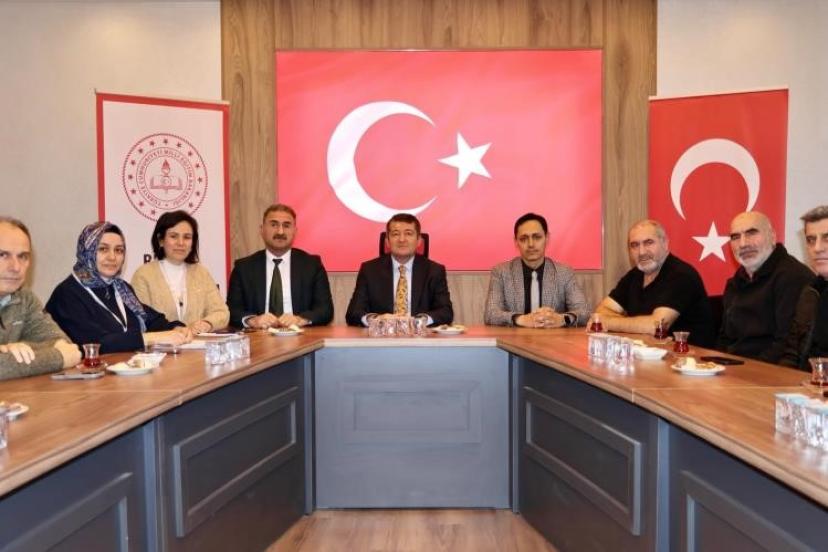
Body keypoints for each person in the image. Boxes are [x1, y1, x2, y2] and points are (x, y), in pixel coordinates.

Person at [46, 221, 192, 354]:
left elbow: (152, 320)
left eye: (119, 250)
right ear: (87, 252)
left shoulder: (121, 288)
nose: (112, 257)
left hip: (127, 369)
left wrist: (176, 328)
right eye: (103, 249)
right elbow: (95, 344)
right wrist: (150, 338)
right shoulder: (67, 294)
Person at [591, 219, 714, 346]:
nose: (642, 252)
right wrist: (628, 323)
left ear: (665, 243)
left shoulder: (681, 275)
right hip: (651, 351)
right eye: (634, 245)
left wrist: (608, 322)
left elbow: (656, 326)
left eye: (648, 243)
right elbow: (601, 311)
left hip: (689, 354)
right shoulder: (635, 275)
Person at [717, 211, 812, 362]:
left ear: (772, 237)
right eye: (735, 237)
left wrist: (745, 370)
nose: (743, 244)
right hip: (733, 368)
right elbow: (725, 338)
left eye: (751, 233)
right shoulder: (735, 282)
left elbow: (787, 345)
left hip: (768, 370)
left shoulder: (793, 277)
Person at [227, 204, 333, 329]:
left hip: (300, 335)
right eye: (274, 225)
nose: (280, 232)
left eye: (286, 226)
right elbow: (232, 310)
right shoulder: (243, 268)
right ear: (262, 230)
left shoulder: (312, 265)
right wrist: (253, 320)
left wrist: (300, 319)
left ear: (295, 231)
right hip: (258, 336)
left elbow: (325, 310)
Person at [0, 217, 81, 379]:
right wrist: (57, 358)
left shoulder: (25, 298)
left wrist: (20, 347)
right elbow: (64, 355)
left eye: (22, 256)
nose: (15, 267)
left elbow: (66, 346)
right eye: (3, 255)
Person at [346, 213, 453, 326]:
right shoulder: (369, 270)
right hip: (383, 335)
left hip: (420, 335)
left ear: (419, 240)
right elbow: (353, 313)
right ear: (387, 241)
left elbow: (446, 312)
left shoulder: (434, 271)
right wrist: (377, 319)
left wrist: (419, 321)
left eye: (408, 233)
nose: (402, 239)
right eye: (395, 234)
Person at [484, 212, 590, 327]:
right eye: (524, 239)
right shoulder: (501, 272)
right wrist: (521, 319)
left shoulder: (564, 272)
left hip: (553, 337)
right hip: (514, 337)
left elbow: (584, 312)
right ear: (516, 242)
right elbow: (491, 314)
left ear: (547, 238)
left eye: (537, 237)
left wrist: (562, 319)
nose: (531, 244)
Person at [131, 211, 229, 334]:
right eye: (173, 236)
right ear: (161, 240)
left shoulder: (201, 273)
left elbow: (222, 312)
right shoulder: (143, 275)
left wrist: (207, 323)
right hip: (161, 345)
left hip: (198, 344)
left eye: (187, 237)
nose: (181, 243)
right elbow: (140, 320)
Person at [781, 206, 828, 370]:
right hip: (804, 383)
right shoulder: (811, 292)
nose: (817, 248)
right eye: (811, 240)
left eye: (827, 238)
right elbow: (792, 353)